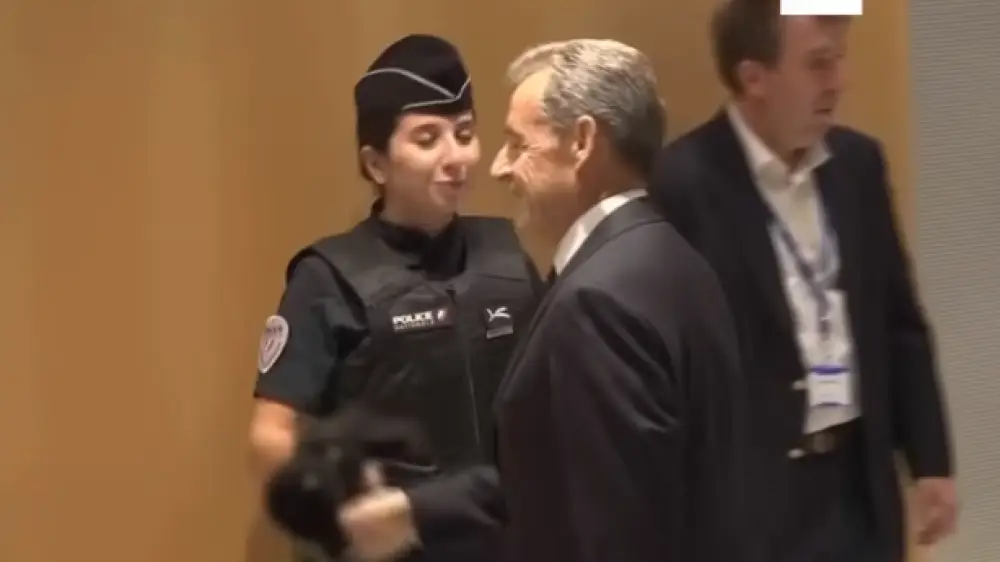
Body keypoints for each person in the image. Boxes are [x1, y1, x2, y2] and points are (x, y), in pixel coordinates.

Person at [336, 38, 754, 562]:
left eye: (518, 145)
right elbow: (554, 473)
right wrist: (416, 512)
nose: (498, 168)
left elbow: (615, 529)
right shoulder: (675, 261)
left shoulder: (598, 301)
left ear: (582, 142)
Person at [647, 2, 958, 561]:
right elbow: (670, 369)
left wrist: (930, 462)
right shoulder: (682, 184)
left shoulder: (858, 164)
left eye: (840, 59)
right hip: (752, 507)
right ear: (754, 77)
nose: (840, 81)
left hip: (857, 487)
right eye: (819, 63)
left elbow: (899, 322)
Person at [248, 33, 542, 562]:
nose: (456, 158)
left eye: (465, 133)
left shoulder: (510, 254)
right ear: (377, 164)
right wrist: (344, 528)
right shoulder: (328, 277)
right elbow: (272, 437)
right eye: (427, 140)